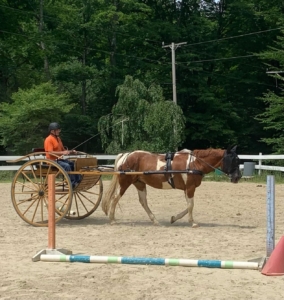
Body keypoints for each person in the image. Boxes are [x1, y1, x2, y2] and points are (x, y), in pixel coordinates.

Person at [44, 122, 81, 188]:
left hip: (59, 159)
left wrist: (71, 151)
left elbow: (63, 150)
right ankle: (71, 183)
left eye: (59, 130)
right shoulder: (48, 139)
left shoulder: (58, 139)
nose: (59, 131)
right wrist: (62, 153)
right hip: (52, 161)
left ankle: (78, 180)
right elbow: (50, 152)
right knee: (66, 166)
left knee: (73, 163)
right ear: (52, 131)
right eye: (57, 130)